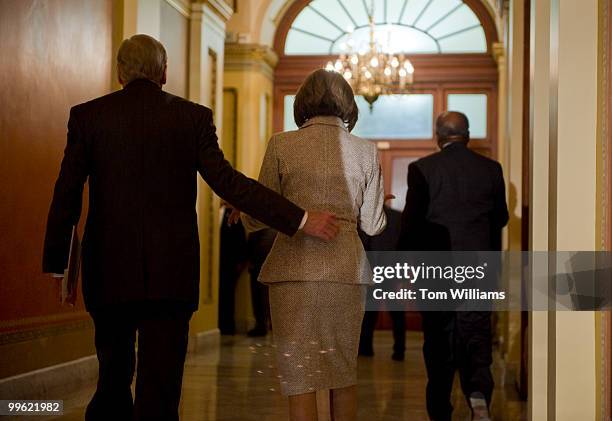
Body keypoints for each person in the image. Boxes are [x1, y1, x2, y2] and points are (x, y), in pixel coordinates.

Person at [42, 34, 340, 421]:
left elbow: (66, 192)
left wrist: (57, 263)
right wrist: (300, 218)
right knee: (161, 389)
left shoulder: (88, 116)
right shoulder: (192, 117)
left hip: (109, 271)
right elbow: (229, 183)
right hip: (173, 275)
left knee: (112, 378)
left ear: (119, 73)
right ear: (164, 72)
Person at [240, 69, 386, 421]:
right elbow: (373, 223)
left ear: (302, 102)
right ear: (349, 105)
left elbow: (258, 216)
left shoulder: (281, 144)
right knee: (342, 375)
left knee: (300, 377)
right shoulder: (365, 151)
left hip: (293, 271)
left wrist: (246, 213)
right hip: (345, 273)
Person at [398, 111, 509, 421]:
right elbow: (501, 218)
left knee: (438, 344)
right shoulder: (491, 169)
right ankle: (478, 399)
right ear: (468, 135)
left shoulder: (422, 169)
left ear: (438, 137)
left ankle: (440, 410)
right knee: (476, 338)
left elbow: (412, 225)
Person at [358, 199, 406, 361]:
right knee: (396, 313)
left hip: (373, 270)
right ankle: (399, 350)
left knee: (370, 312)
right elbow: (403, 248)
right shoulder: (398, 217)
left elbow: (363, 245)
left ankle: (366, 348)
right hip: (391, 270)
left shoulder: (365, 218)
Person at [218, 202, 248, 335]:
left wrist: (240, 262)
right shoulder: (217, 214)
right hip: (219, 262)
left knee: (228, 294)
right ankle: (220, 323)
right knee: (221, 294)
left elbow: (240, 238)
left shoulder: (234, 216)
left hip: (230, 262)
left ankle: (228, 326)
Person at [245, 228, 276, 337]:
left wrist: (252, 261)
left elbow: (256, 245)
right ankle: (267, 324)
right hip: (268, 267)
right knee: (265, 297)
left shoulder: (259, 226)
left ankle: (262, 325)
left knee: (260, 297)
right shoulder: (274, 226)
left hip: (260, 266)